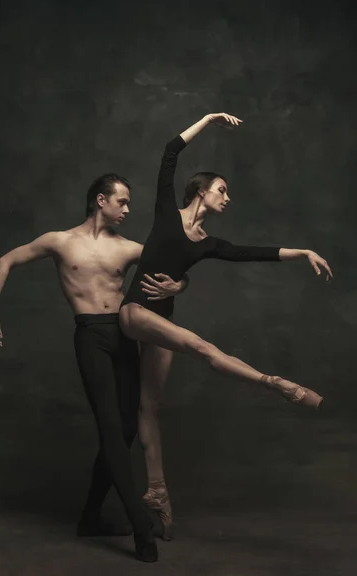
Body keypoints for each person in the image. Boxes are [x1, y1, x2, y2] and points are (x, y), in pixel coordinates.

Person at [119, 112, 333, 540]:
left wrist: (303, 251)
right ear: (200, 190)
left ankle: (157, 491)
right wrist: (209, 119)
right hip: (135, 312)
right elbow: (170, 151)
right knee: (202, 348)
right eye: (222, 190)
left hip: (162, 320)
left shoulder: (207, 243)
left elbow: (252, 252)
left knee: (149, 408)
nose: (227, 198)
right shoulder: (166, 212)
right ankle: (276, 384)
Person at [0, 173, 190, 563]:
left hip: (124, 334)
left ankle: (90, 517)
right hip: (90, 336)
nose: (128, 209)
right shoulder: (60, 241)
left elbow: (176, 267)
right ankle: (140, 529)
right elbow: (5, 260)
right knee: (111, 428)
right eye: (123, 202)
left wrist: (178, 287)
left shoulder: (128, 248)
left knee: (126, 429)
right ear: (101, 200)